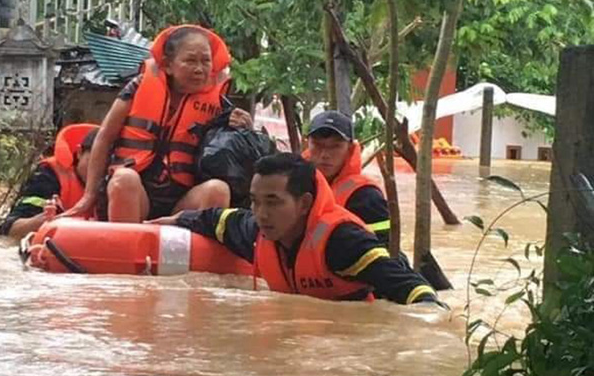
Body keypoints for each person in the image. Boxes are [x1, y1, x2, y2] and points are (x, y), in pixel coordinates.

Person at [151, 153, 442, 305]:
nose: (261, 214)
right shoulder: (258, 231)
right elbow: (219, 221)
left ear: (304, 204)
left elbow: (411, 287)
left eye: (273, 202)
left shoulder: (341, 242)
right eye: (255, 201)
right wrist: (178, 220)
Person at [62, 25, 252, 223]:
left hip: (182, 199)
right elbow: (104, 137)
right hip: (136, 190)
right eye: (190, 61)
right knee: (124, 179)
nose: (199, 69)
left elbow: (234, 158)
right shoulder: (139, 86)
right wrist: (89, 196)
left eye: (206, 61)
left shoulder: (220, 105)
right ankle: (125, 248)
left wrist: (243, 129)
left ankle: (195, 251)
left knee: (218, 189)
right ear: (168, 65)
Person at [0, 124, 98, 240]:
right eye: (95, 161)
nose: (100, 170)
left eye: (108, 163)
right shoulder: (48, 176)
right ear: (79, 152)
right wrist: (46, 219)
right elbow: (7, 230)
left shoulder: (118, 182)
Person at [304, 111, 391, 244]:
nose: (325, 155)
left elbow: (385, 248)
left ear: (350, 148)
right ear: (307, 144)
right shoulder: (291, 185)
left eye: (335, 146)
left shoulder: (367, 197)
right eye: (318, 145)